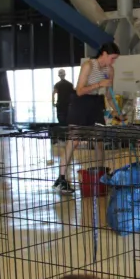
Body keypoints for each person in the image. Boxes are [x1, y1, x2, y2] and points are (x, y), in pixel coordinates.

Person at [53, 42, 121, 194]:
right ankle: (61, 179)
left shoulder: (110, 70)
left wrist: (117, 111)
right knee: (74, 140)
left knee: (99, 141)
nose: (113, 61)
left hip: (96, 103)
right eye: (112, 57)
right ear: (103, 54)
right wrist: (98, 84)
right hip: (80, 103)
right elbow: (79, 91)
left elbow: (109, 94)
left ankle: (99, 175)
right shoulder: (89, 66)